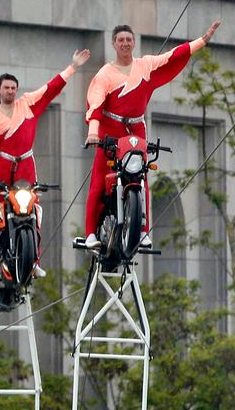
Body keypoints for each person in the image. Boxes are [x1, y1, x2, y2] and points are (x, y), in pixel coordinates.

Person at [81, 20, 221, 251]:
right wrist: (94, 132)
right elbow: (95, 104)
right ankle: (89, 234)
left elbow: (171, 56)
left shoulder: (145, 65)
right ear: (114, 44)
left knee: (141, 175)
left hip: (136, 129)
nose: (125, 43)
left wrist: (202, 41)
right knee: (98, 177)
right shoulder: (105, 74)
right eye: (120, 40)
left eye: (128, 39)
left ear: (134, 42)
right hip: (110, 129)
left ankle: (143, 230)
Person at [0, 50, 93, 277]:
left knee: (34, 211)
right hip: (3, 167)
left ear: (17, 90)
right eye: (6, 87)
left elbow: (50, 89)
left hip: (27, 165)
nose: (10, 91)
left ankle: (34, 260)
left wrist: (73, 67)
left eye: (13, 87)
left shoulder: (27, 104)